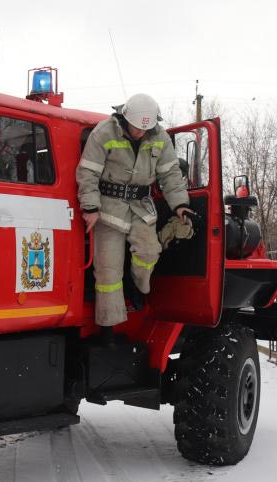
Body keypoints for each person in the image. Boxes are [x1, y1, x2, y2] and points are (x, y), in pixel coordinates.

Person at [76, 93, 192, 334]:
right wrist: (90, 208)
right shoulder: (104, 132)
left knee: (149, 251)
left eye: (145, 128)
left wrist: (180, 205)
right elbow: (87, 172)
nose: (140, 132)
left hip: (141, 206)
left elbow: (170, 174)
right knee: (107, 271)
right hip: (107, 208)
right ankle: (109, 327)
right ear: (125, 117)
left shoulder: (160, 137)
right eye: (137, 127)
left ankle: (138, 286)